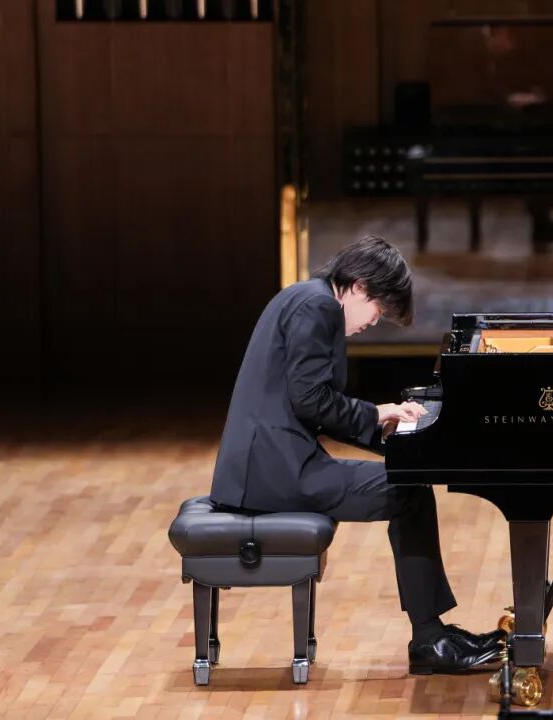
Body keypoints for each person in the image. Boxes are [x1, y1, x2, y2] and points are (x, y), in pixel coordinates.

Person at [209, 235, 503, 675]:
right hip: (275, 473)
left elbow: (312, 405)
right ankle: (430, 639)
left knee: (408, 482)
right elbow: (311, 400)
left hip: (271, 466)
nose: (374, 321)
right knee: (408, 491)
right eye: (377, 309)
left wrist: (393, 434)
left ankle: (433, 634)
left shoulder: (305, 297)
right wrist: (377, 414)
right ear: (359, 285)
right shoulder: (318, 306)